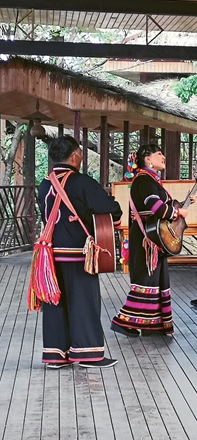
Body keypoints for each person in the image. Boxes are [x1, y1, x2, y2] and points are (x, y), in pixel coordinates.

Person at [37, 135, 122, 368]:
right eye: (81, 155)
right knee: (84, 302)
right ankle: (88, 354)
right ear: (74, 156)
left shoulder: (45, 184)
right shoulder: (82, 182)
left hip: (50, 255)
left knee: (54, 302)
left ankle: (56, 355)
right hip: (78, 254)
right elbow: (110, 209)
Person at [111, 144, 196, 337]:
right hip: (146, 239)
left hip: (152, 237)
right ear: (147, 159)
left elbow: (161, 207)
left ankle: (153, 325)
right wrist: (178, 212)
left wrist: (181, 206)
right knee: (146, 279)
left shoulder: (149, 180)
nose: (163, 156)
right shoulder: (144, 180)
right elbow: (157, 208)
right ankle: (125, 322)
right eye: (159, 154)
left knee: (156, 279)